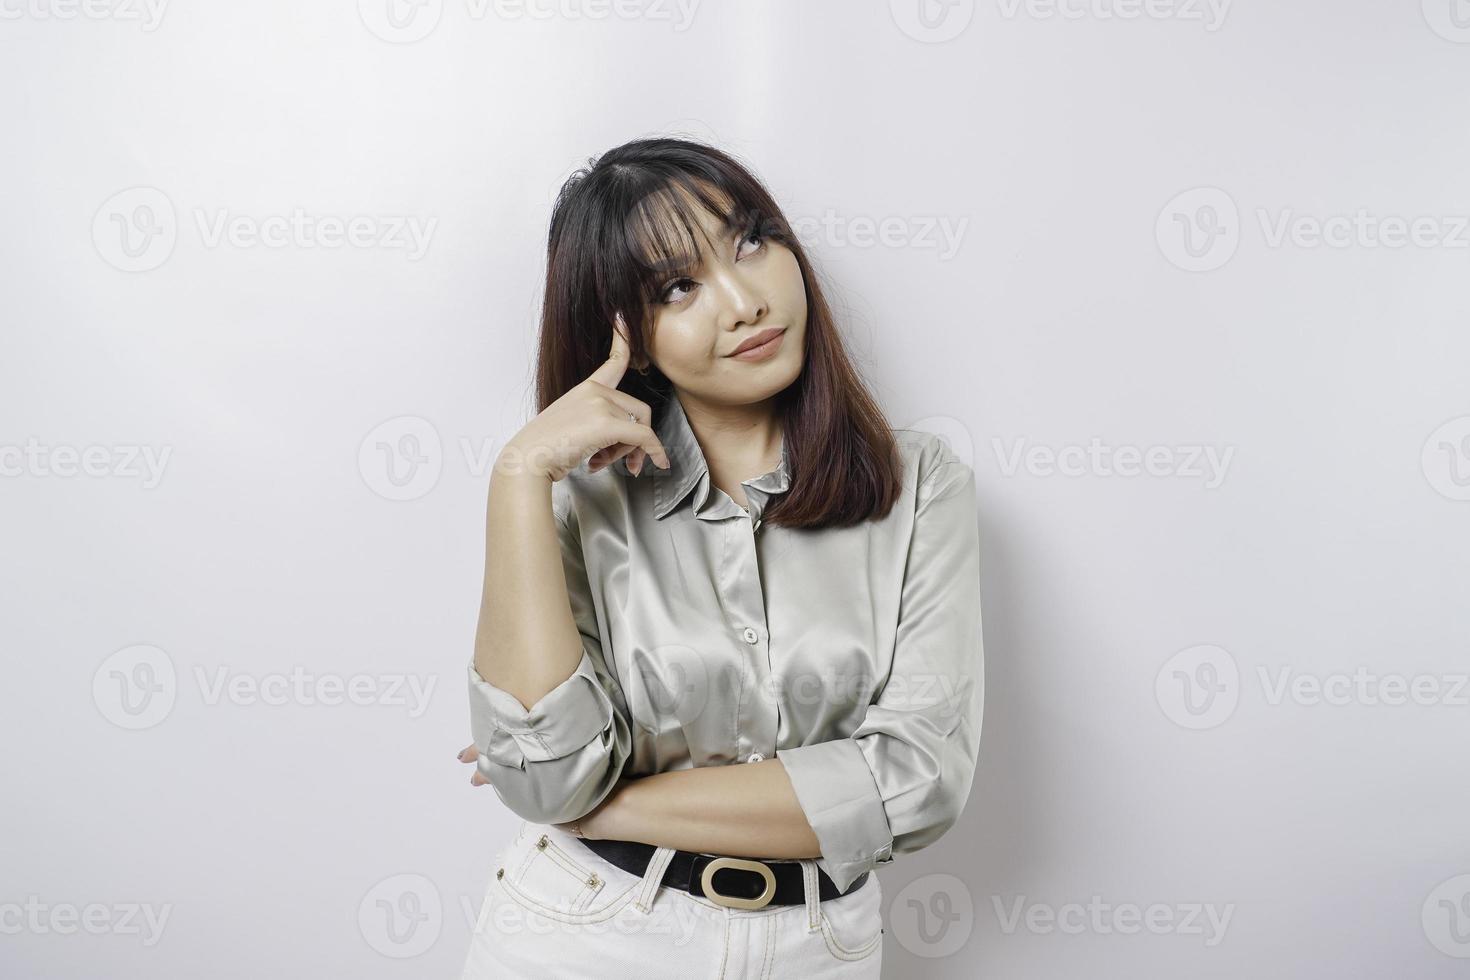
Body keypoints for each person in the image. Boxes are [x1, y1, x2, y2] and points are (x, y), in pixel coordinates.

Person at [456, 136, 984, 977]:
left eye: (749, 241)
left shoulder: (917, 484)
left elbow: (917, 784)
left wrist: (608, 805)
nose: (743, 303)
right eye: (678, 287)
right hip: (584, 937)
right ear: (623, 332)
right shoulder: (576, 503)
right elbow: (547, 782)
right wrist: (517, 476)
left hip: (822, 949)